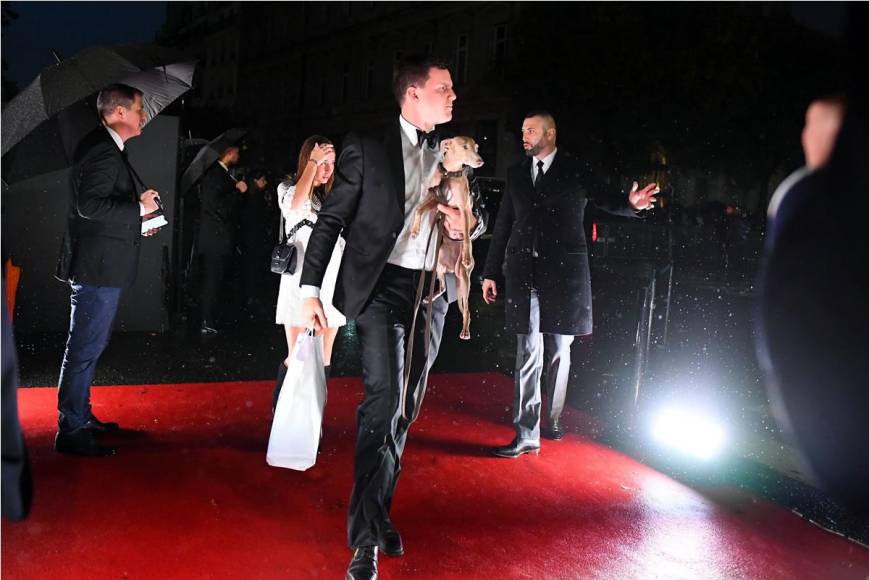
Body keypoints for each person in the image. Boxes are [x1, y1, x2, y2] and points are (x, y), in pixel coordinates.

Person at [300, 55, 485, 580]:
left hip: (433, 291)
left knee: (408, 407)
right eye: (443, 89)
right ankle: (363, 542)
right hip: (381, 287)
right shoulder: (367, 143)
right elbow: (332, 220)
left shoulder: (453, 152)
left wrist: (460, 219)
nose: (453, 96)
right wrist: (309, 289)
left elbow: (480, 214)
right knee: (383, 402)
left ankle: (378, 510)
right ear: (412, 95)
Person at [481, 110, 657, 458]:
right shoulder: (517, 173)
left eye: (530, 130)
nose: (524, 136)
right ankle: (526, 432)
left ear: (551, 133)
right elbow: (504, 224)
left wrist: (630, 205)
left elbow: (607, 198)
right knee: (528, 351)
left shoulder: (576, 168)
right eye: (522, 130)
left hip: (563, 275)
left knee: (560, 349)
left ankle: (553, 417)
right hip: (524, 273)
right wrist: (489, 271)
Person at [53, 83, 162, 457]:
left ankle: (79, 415)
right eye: (138, 109)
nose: (143, 115)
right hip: (97, 268)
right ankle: (72, 428)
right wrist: (138, 211)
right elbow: (90, 206)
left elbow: (100, 205)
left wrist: (139, 213)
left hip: (100, 264)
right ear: (118, 113)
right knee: (84, 347)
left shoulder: (105, 148)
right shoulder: (103, 150)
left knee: (87, 345)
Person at [272, 136, 343, 412]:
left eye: (331, 164)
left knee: (324, 358)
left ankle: (312, 426)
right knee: (297, 355)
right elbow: (294, 204)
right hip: (299, 285)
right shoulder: (288, 189)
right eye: (323, 163)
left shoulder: (333, 197)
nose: (327, 170)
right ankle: (284, 420)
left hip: (331, 282)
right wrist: (313, 163)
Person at [197, 145, 247, 333]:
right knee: (212, 280)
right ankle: (207, 321)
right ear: (229, 152)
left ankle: (209, 319)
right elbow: (220, 209)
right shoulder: (215, 175)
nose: (238, 155)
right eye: (236, 152)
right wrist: (237, 191)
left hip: (216, 238)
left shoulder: (220, 174)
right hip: (215, 239)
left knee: (214, 279)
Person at [239, 167, 270, 310]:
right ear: (256, 181)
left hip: (250, 237)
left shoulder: (251, 196)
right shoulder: (255, 197)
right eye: (262, 180)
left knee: (251, 266)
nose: (265, 183)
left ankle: (250, 295)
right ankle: (251, 295)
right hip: (254, 237)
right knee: (253, 267)